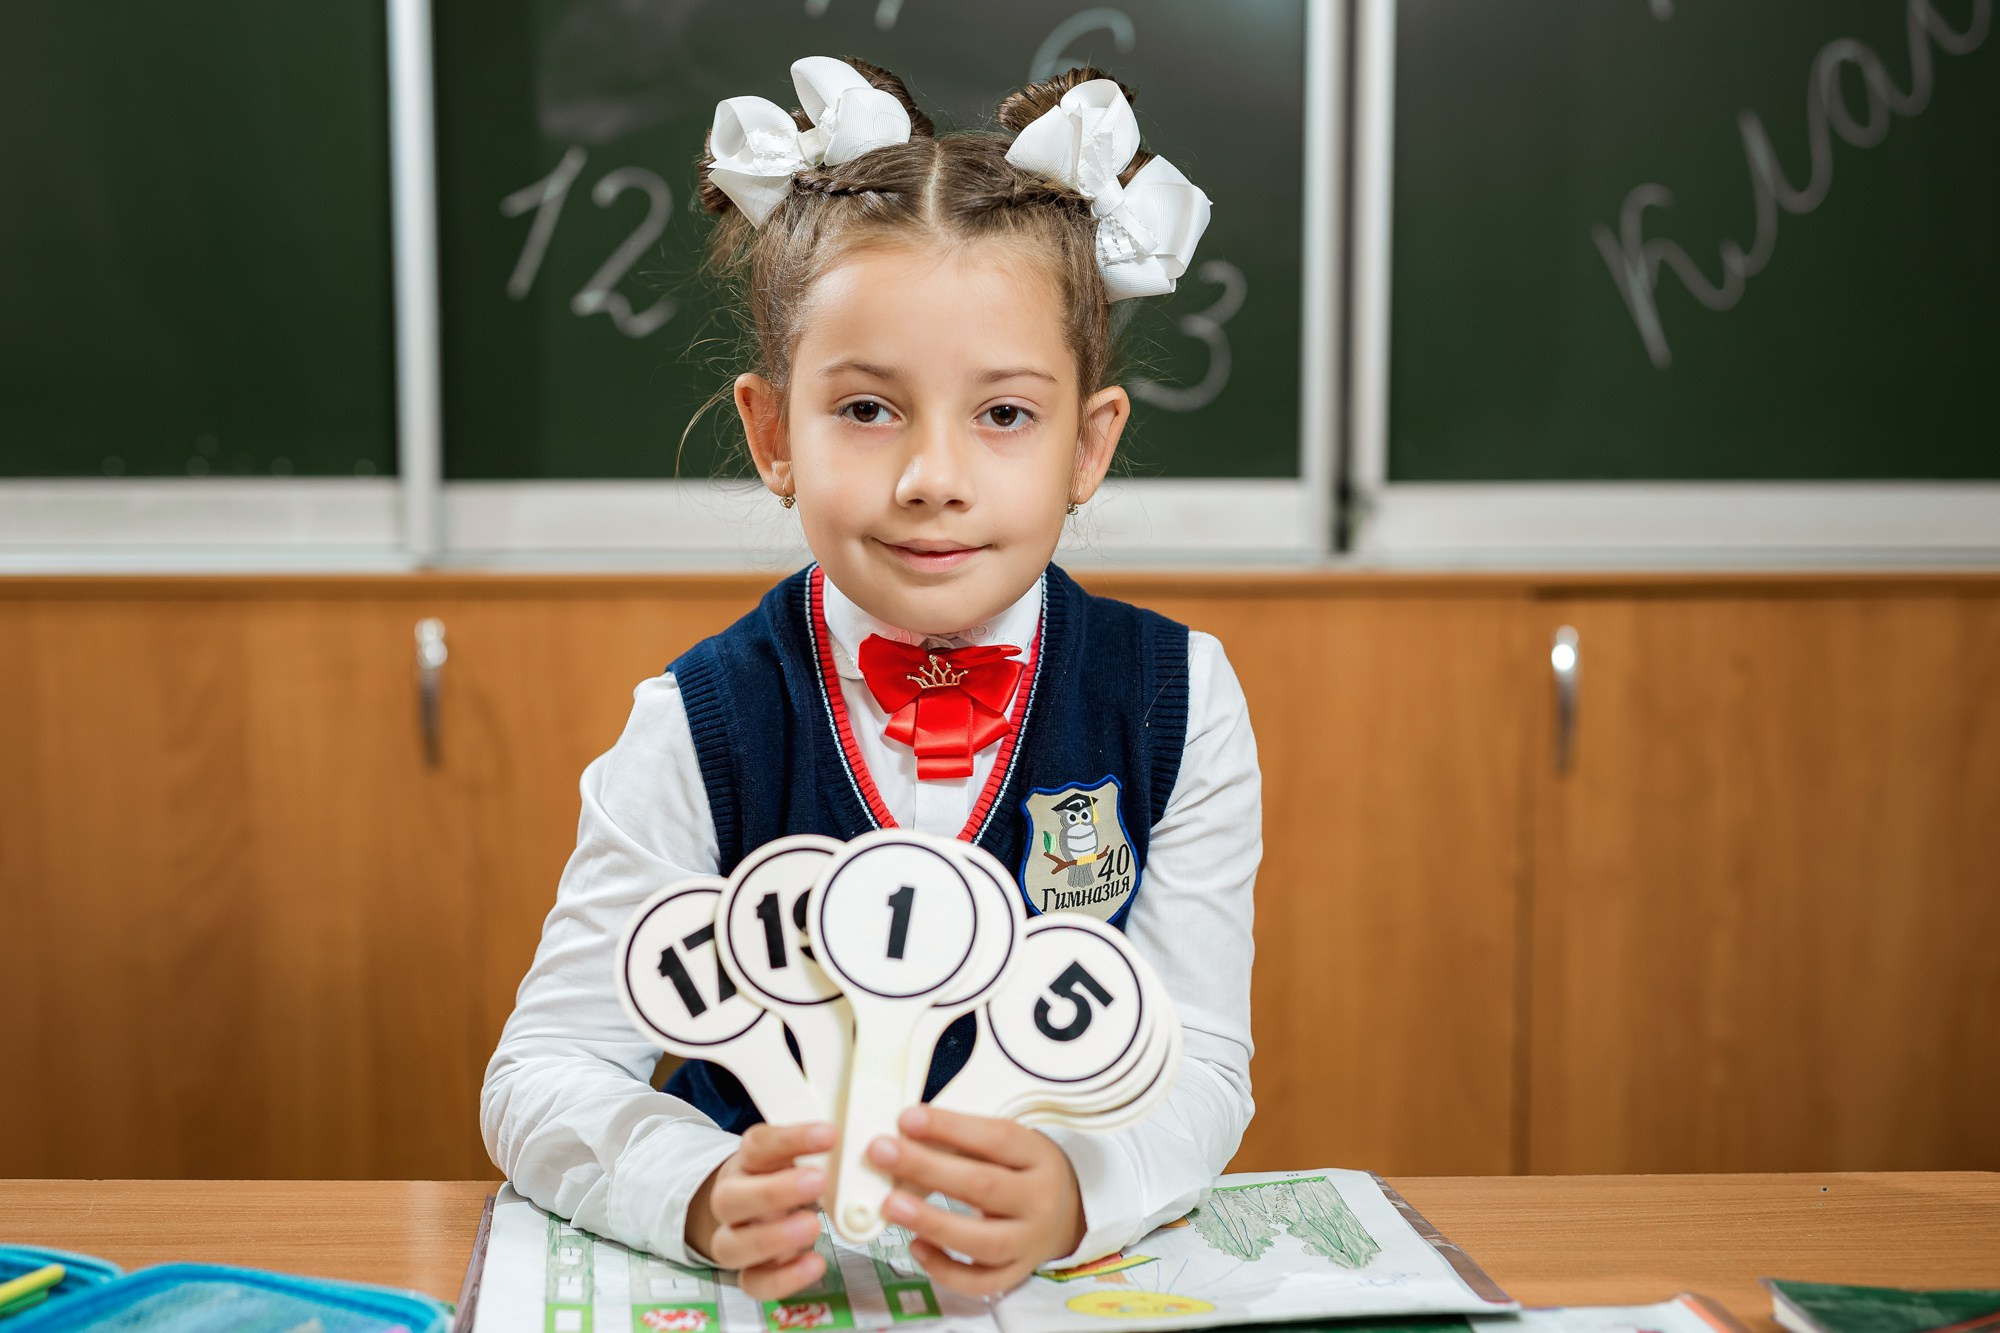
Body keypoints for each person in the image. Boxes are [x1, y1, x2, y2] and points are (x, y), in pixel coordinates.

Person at [481, 53, 1260, 1304]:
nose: (930, 477)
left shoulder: (1178, 699)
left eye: (1003, 415)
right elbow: (544, 1073)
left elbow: (1200, 1063)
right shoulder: (695, 723)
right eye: (866, 411)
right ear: (772, 433)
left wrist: (1074, 1189)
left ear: (1089, 442)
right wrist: (695, 1188)